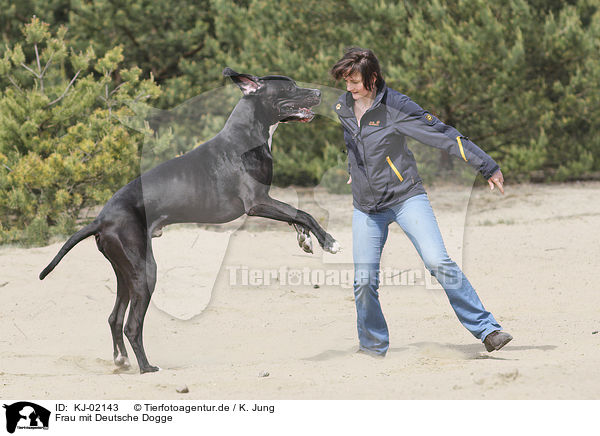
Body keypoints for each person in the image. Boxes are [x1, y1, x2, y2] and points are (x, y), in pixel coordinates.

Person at [330, 47, 512, 357]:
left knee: (438, 262)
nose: (349, 89)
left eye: (355, 82)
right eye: (345, 82)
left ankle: (488, 330)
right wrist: (353, 169)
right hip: (365, 207)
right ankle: (372, 346)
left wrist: (487, 166)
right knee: (363, 281)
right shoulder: (343, 106)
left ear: (372, 79)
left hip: (405, 197)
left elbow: (441, 134)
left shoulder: (396, 107)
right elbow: (352, 143)